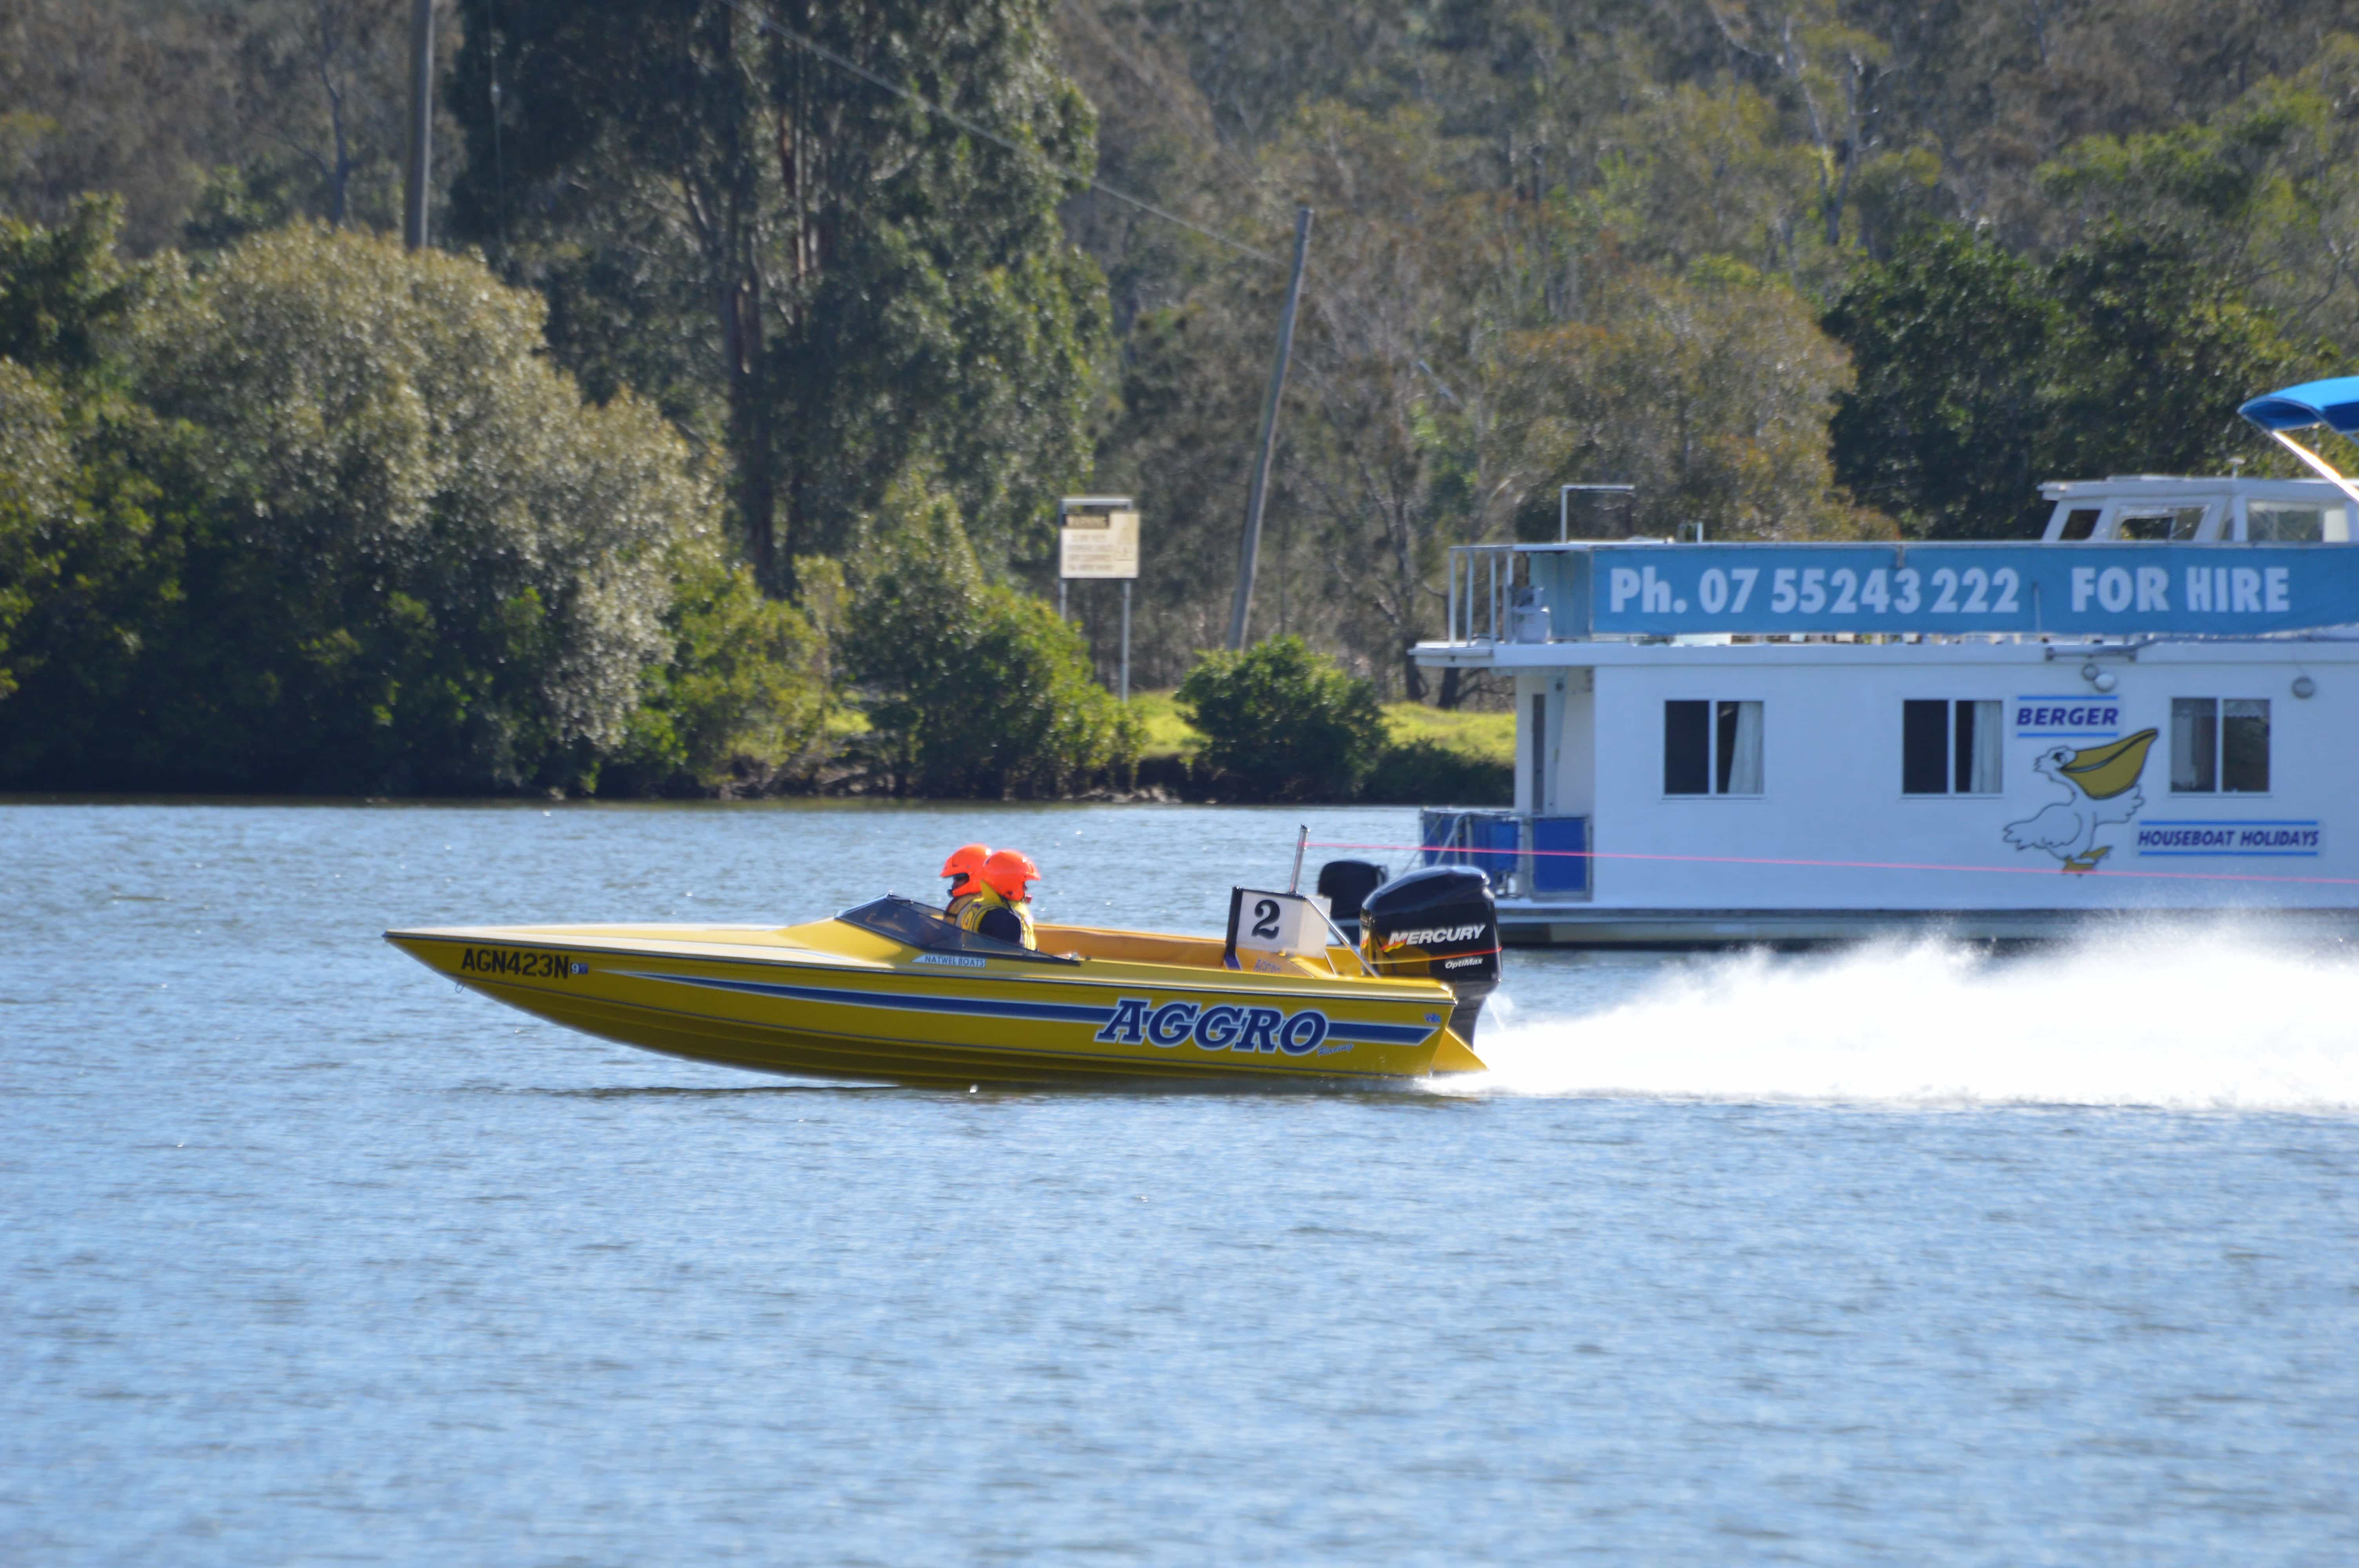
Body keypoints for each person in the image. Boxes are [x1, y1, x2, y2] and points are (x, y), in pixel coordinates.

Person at [958, 848, 1041, 950]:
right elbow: (1019, 961)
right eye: (1023, 884)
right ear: (1009, 882)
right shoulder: (1007, 920)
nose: (1026, 888)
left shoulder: (979, 907)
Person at [940, 843, 991, 922]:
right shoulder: (992, 902)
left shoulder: (970, 906)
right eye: (954, 878)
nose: (954, 884)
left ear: (976, 876)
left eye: (959, 878)